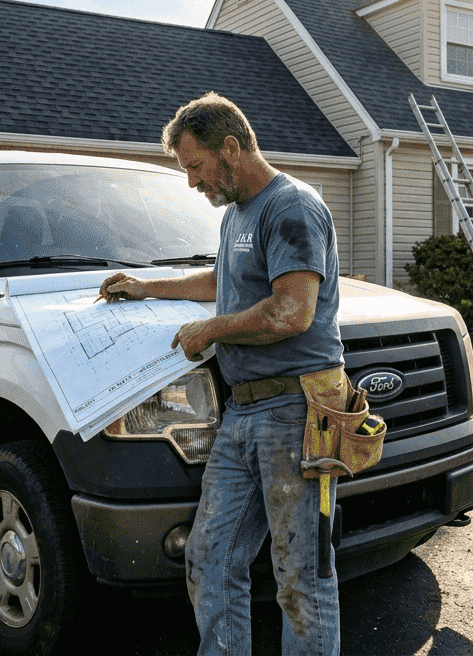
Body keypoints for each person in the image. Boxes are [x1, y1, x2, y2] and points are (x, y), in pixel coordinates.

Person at [99, 92, 343, 656]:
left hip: (298, 409)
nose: (191, 182)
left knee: (302, 575)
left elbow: (291, 311)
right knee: (210, 556)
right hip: (244, 411)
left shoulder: (292, 207)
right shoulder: (238, 213)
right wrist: (147, 287)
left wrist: (209, 332)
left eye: (195, 166)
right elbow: (223, 280)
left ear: (230, 148)